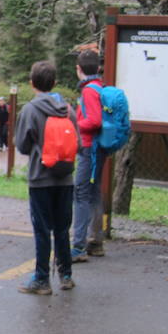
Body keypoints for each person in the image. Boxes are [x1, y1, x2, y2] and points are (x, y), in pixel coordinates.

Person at [14, 60, 79, 294]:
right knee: (62, 228)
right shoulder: (68, 110)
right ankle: (66, 275)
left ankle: (42, 280)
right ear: (55, 83)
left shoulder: (30, 109)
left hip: (40, 178)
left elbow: (22, 145)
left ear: (32, 83)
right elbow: (78, 143)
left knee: (42, 230)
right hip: (65, 179)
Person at [71, 48, 107, 262]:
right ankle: (96, 240)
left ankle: (78, 245)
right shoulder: (99, 87)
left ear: (78, 69)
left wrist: (75, 124)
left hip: (88, 148)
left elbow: (94, 120)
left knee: (81, 194)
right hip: (97, 148)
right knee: (93, 193)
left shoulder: (89, 91)